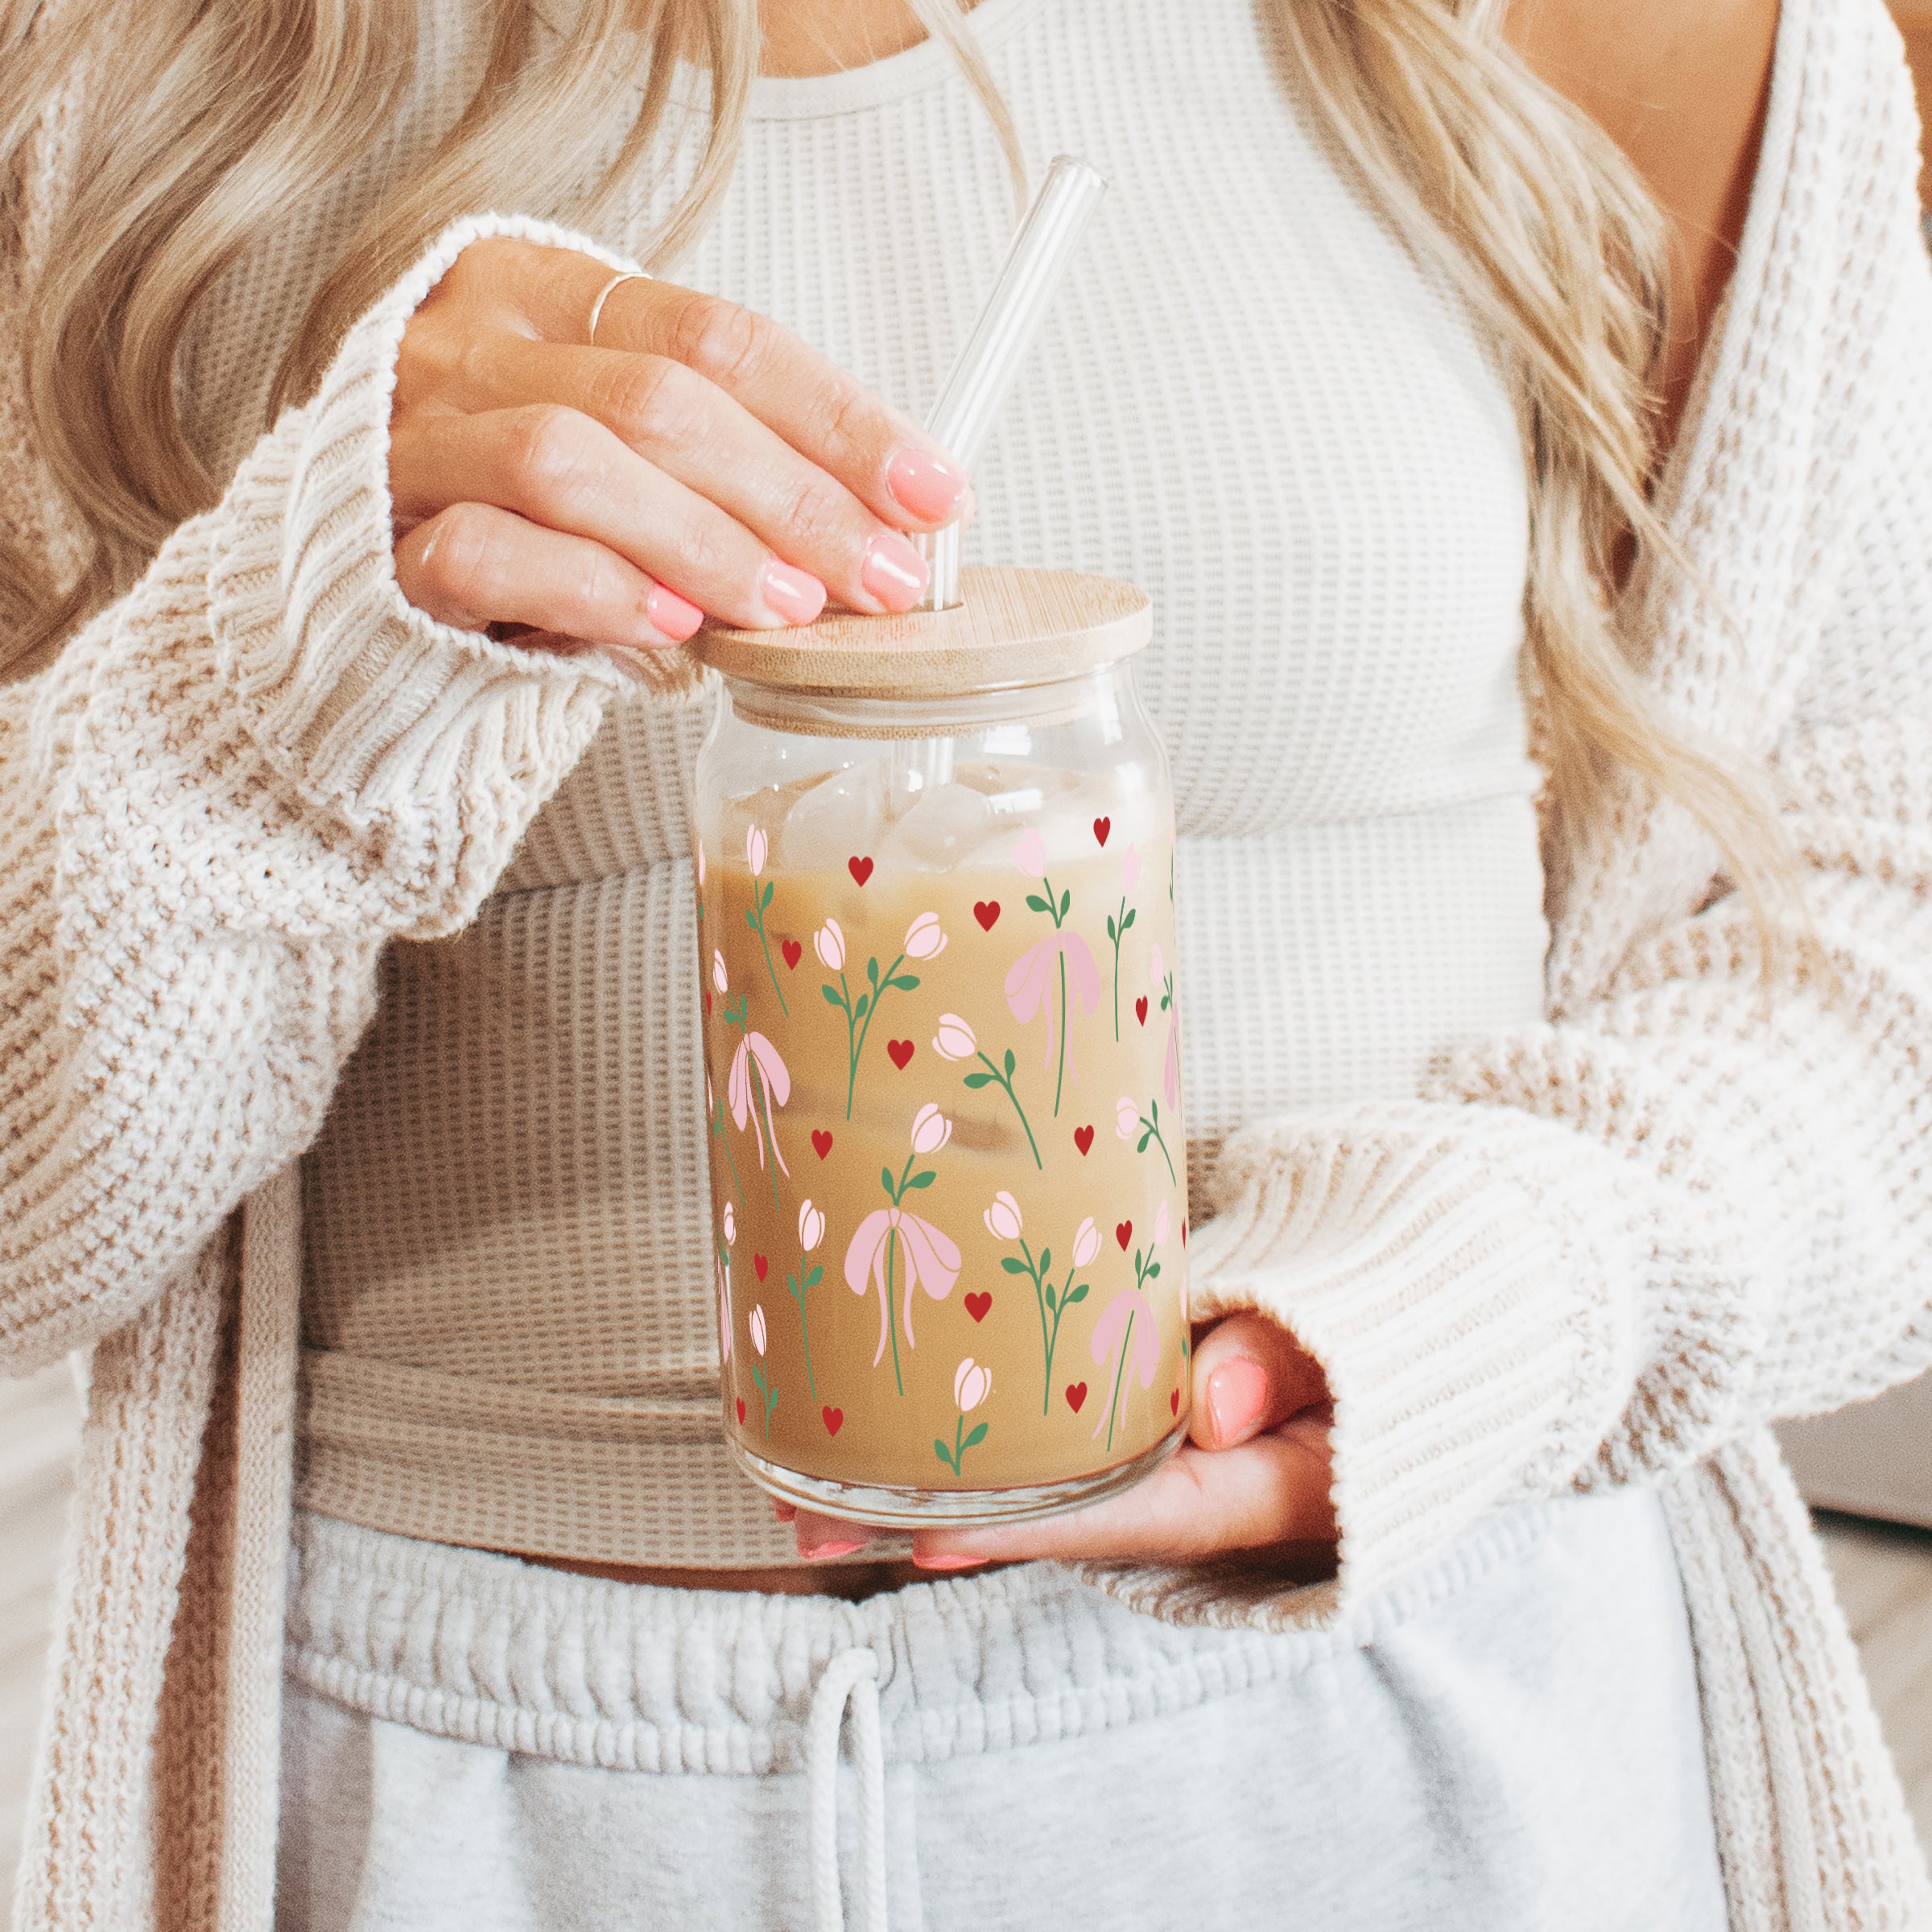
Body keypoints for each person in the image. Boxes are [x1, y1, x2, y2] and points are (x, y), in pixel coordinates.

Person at [3, 0, 1930, 1924]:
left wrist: (1485, 1290)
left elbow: (1885, 932)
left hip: (1430, 1750)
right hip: (475, 1810)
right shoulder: (115, 80)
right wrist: (275, 679)